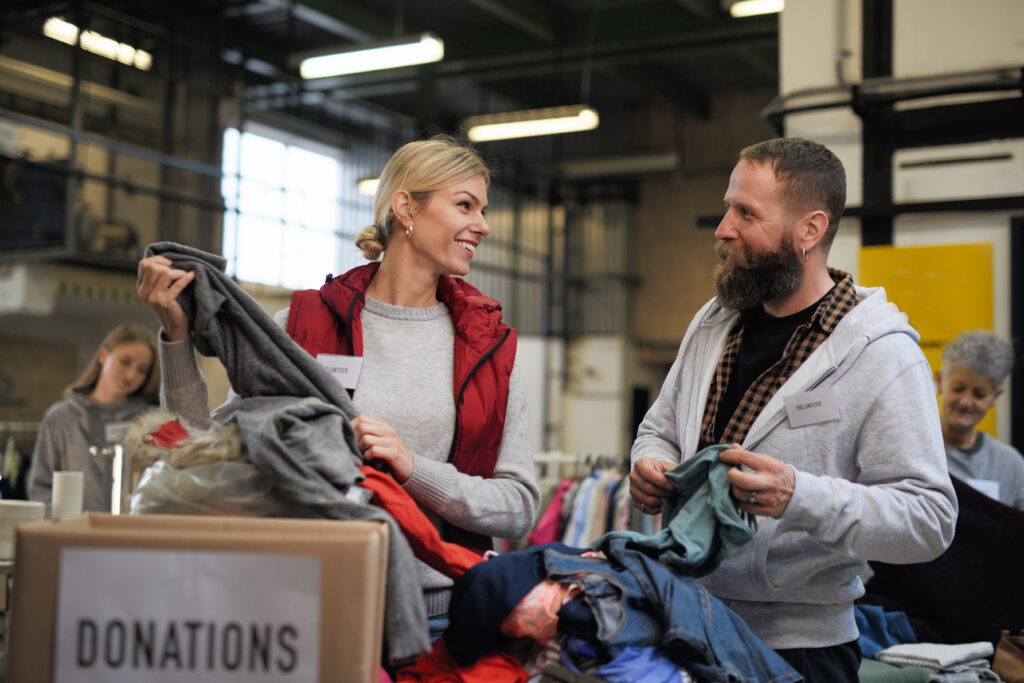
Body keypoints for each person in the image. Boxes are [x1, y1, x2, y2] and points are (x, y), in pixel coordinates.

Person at [137, 134, 540, 641]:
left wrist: (415, 470)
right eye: (465, 205)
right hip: (310, 604)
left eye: (482, 209)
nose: (482, 225)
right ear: (406, 207)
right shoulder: (304, 324)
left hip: (440, 620)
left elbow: (519, 504)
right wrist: (176, 335)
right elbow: (206, 450)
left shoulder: (488, 347)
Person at [628, 137, 957, 683]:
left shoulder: (883, 355)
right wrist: (651, 463)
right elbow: (658, 428)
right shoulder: (714, 322)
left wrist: (799, 496)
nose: (722, 228)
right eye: (727, 206)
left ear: (810, 230)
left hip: (801, 652)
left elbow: (929, 520)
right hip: (685, 621)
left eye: (746, 213)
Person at [27, 322, 160, 515]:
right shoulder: (61, 417)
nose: (131, 374)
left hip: (130, 534)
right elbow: (41, 486)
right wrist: (62, 526)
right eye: (125, 361)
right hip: (72, 535)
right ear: (104, 354)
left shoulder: (150, 421)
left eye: (142, 370)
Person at [937, 330, 1024, 510]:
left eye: (980, 394)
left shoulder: (1010, 465)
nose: (966, 402)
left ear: (995, 397)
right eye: (958, 388)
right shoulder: (915, 450)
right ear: (939, 381)